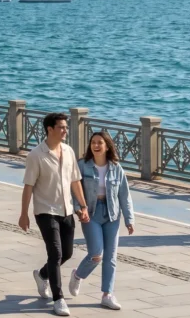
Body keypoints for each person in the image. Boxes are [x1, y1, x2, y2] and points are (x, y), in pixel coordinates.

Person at [18, 112, 90, 317]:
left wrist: (83, 206)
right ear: (49, 129)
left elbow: (75, 181)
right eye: (61, 127)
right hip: (45, 211)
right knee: (55, 253)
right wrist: (24, 214)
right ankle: (58, 299)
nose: (65, 130)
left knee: (66, 253)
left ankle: (42, 275)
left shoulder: (68, 151)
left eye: (66, 127)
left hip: (66, 210)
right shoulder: (36, 155)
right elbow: (28, 186)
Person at [69, 132, 134, 310]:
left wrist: (129, 219)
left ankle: (107, 294)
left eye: (100, 143)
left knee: (111, 257)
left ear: (107, 146)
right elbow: (74, 189)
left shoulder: (116, 168)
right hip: (90, 212)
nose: (96, 145)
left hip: (112, 214)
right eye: (93, 142)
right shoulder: (82, 165)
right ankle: (78, 275)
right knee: (96, 253)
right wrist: (78, 209)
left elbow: (124, 195)